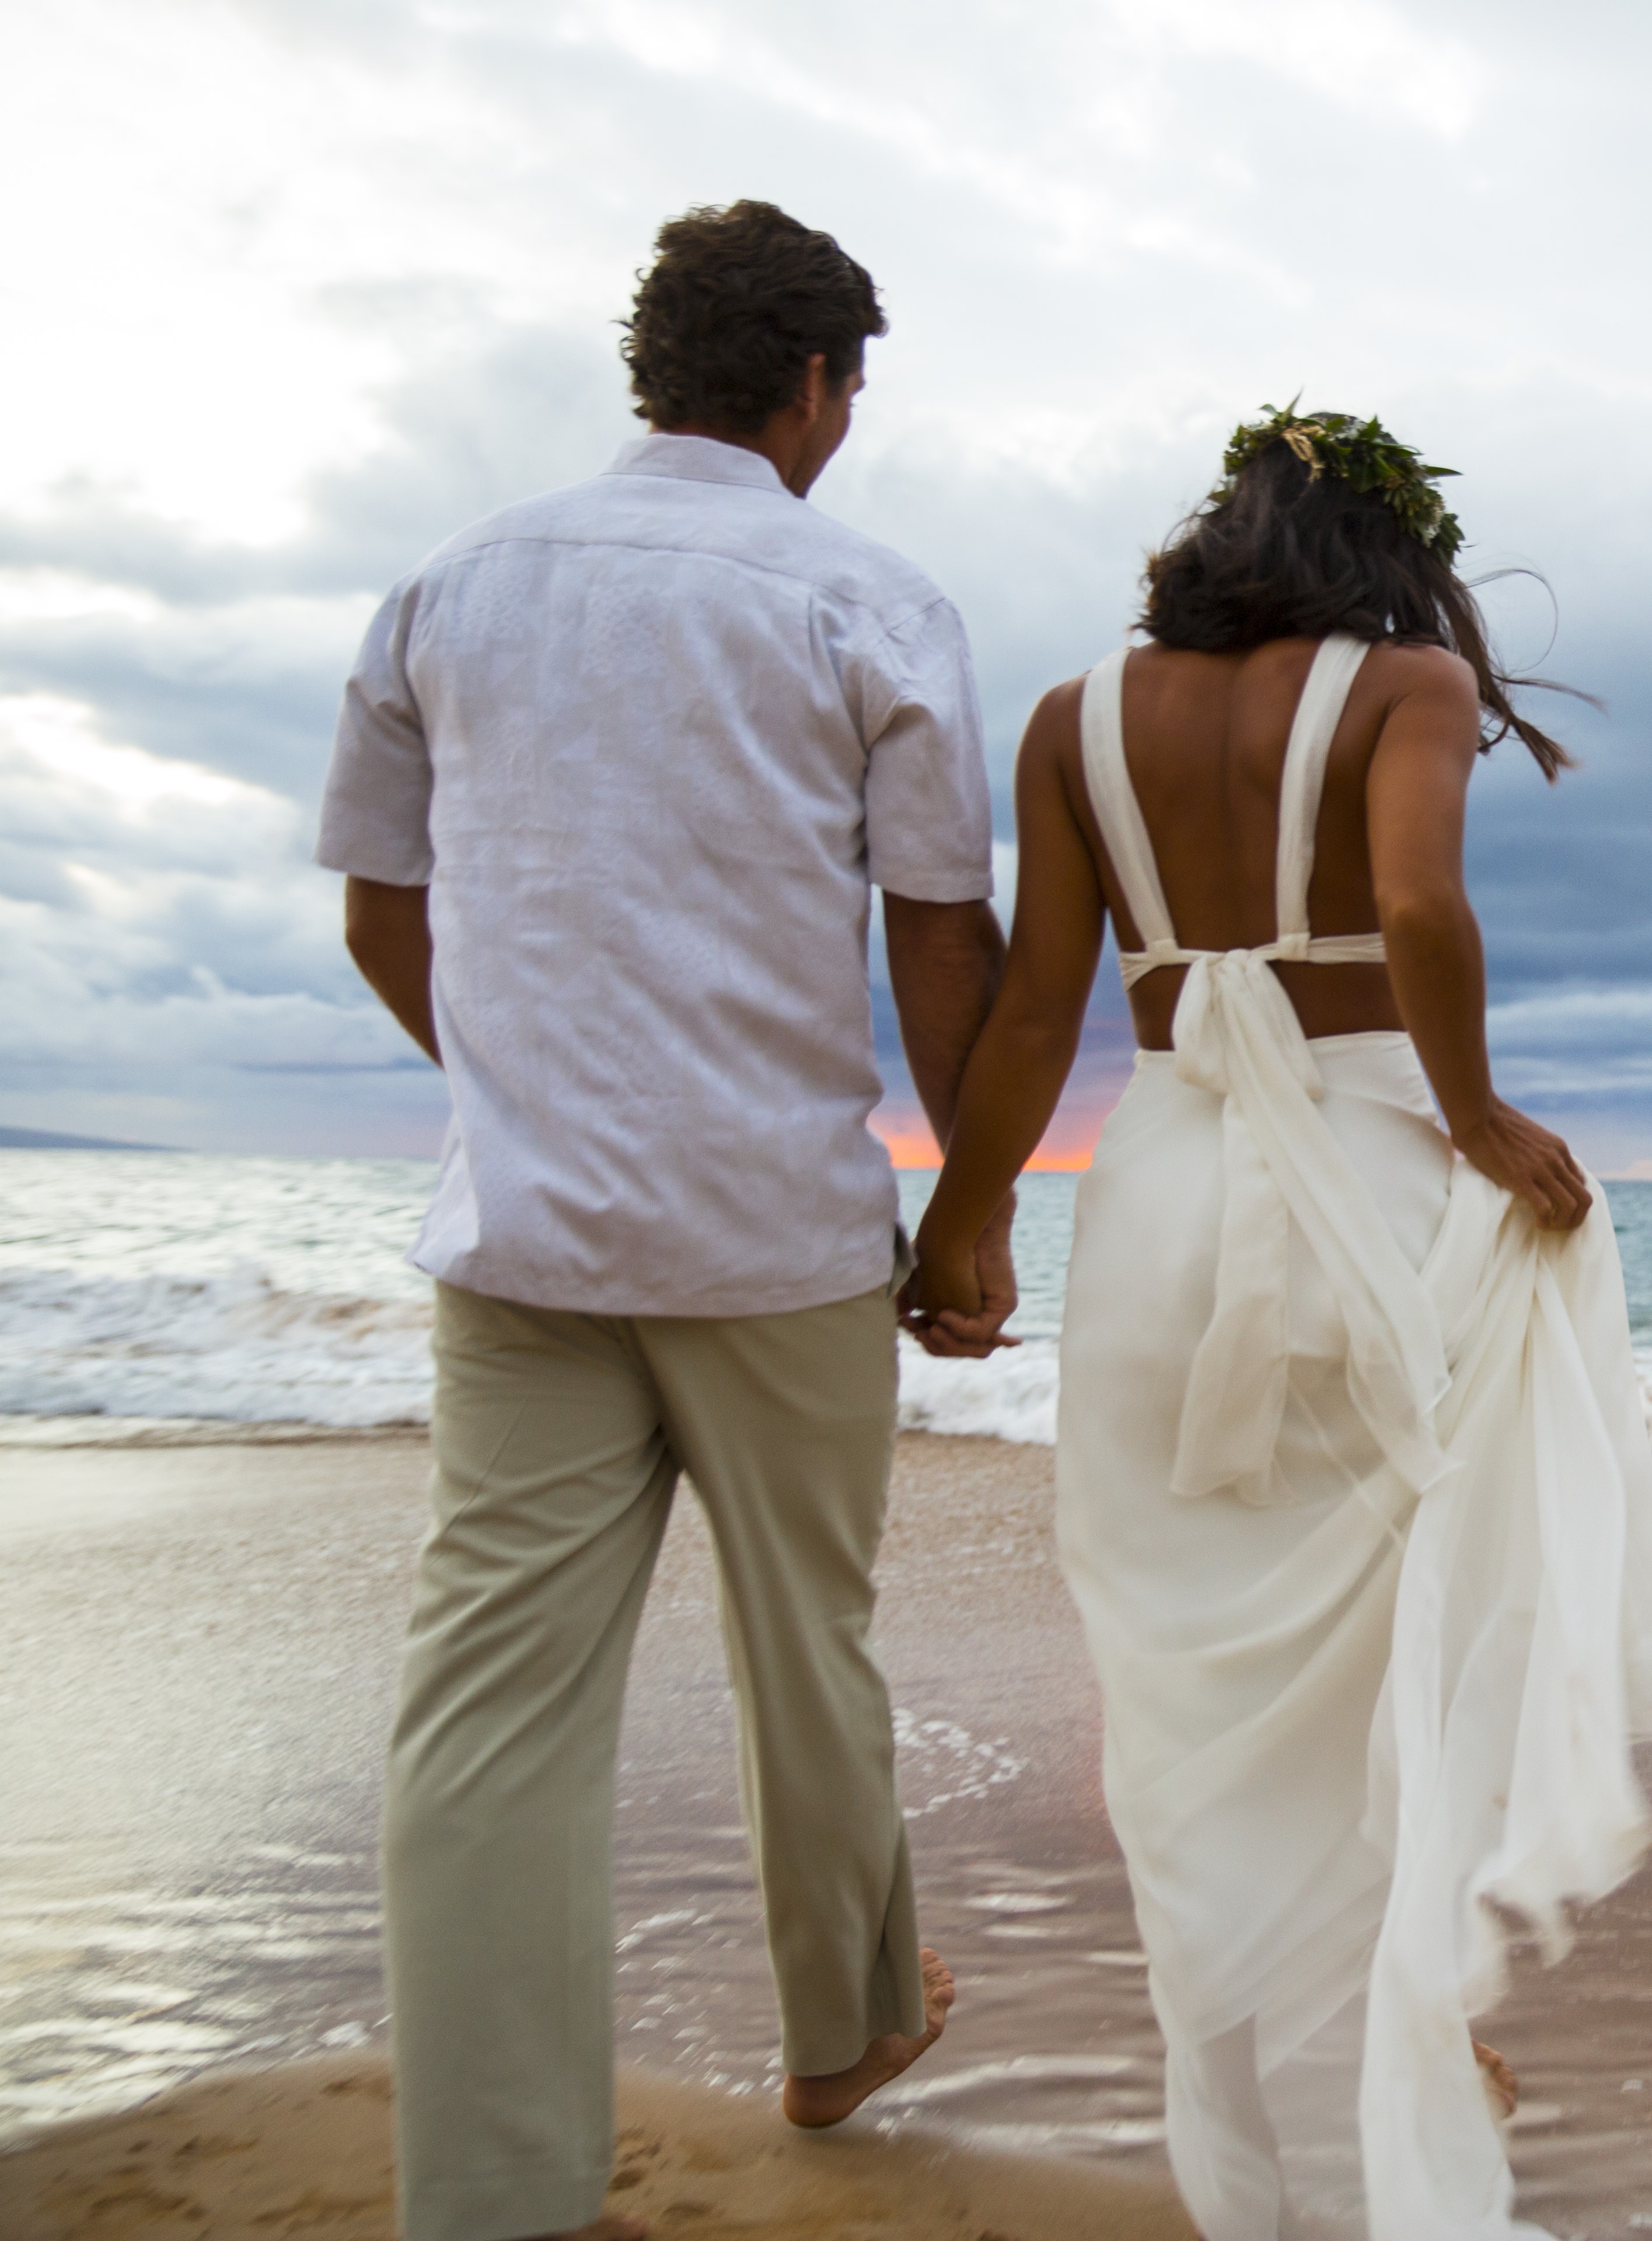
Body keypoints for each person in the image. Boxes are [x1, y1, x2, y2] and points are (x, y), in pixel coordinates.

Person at [907, 405, 1652, 2237]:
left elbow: (1039, 1010)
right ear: (1386, 554)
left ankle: (1293, 2124)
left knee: (1191, 1707)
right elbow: (1419, 904)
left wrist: (959, 1226)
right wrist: (1484, 1114)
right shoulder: (1408, 686)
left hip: (1158, 1201)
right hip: (1374, 1182)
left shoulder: (1068, 721)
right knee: (1410, 1648)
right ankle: (1416, 2059)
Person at [317, 201, 1010, 2241]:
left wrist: (522, 1089)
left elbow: (379, 908)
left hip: (522, 1242)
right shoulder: (864, 599)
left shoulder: (451, 585)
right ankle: (845, 2033)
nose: (850, 424)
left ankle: (489, 2189)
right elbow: (940, 938)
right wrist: (967, 1213)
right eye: (853, 389)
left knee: (489, 1711)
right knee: (812, 1646)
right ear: (810, 383)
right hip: (773, 1231)